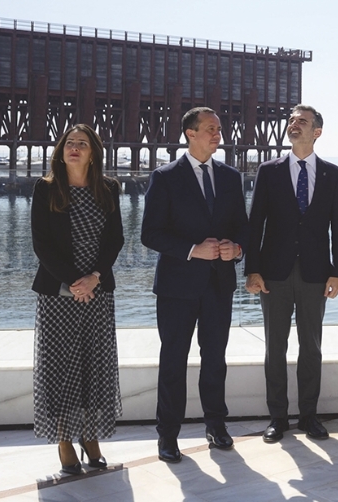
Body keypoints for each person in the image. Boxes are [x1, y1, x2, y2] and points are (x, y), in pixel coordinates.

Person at [141, 107, 248, 463]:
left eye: (219, 129)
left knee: (215, 359)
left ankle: (216, 426)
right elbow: (150, 234)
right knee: (173, 360)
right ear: (190, 133)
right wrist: (192, 250)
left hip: (219, 284)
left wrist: (237, 249)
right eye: (210, 129)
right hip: (176, 287)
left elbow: (242, 229)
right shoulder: (165, 176)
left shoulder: (231, 177)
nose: (217, 134)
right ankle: (167, 436)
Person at [245, 104, 338, 443]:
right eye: (291, 120)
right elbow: (255, 222)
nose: (294, 125)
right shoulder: (269, 171)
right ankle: (277, 418)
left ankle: (309, 416)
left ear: (317, 131)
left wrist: (337, 272)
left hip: (316, 273)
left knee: (311, 347)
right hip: (273, 273)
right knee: (275, 347)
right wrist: (252, 270)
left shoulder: (333, 174)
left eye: (302, 121)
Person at [31, 124, 124, 475]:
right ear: (61, 150)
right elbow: (41, 244)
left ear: (93, 152)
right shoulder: (46, 188)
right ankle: (64, 440)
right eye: (69, 143)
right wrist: (73, 282)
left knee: (94, 366)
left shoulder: (109, 188)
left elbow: (115, 239)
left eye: (82, 144)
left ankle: (90, 436)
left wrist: (93, 278)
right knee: (59, 367)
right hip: (58, 293)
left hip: (98, 291)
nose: (74, 148)